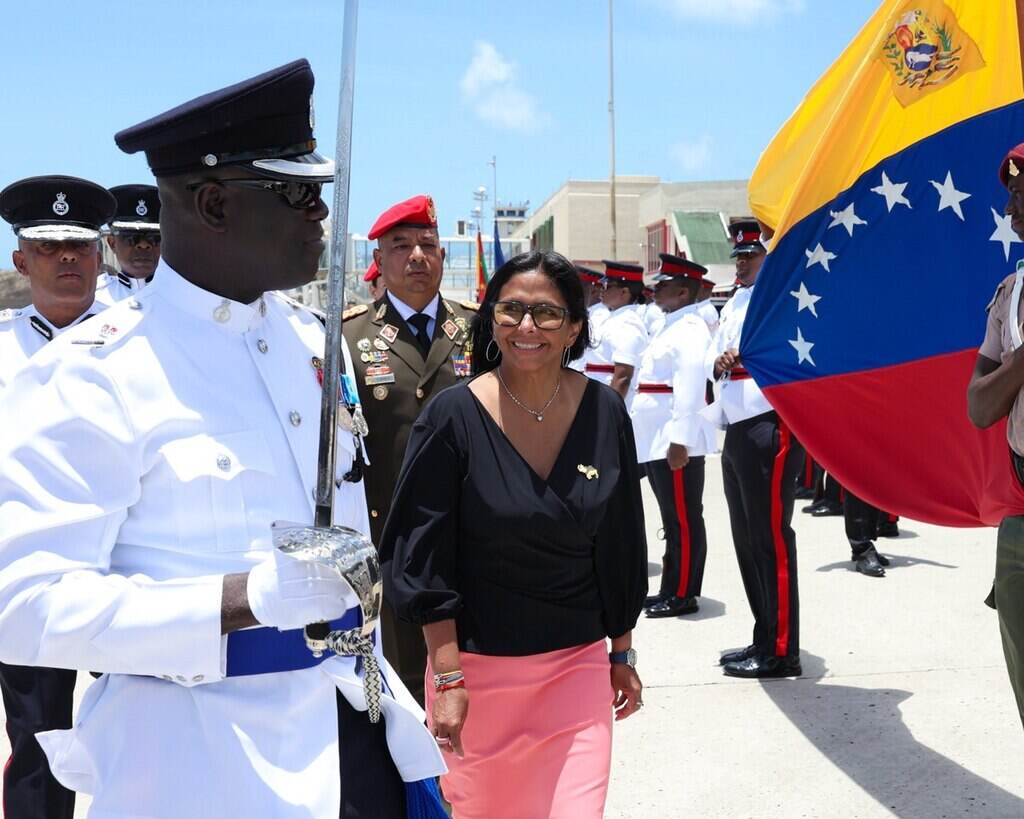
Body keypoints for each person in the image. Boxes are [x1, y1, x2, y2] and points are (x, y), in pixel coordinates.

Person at [0, 60, 443, 818]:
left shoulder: (311, 342)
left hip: (353, 725)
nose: (320, 213)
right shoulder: (97, 372)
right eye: (296, 192)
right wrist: (238, 600)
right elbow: (23, 603)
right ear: (213, 203)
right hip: (202, 762)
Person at [381, 249, 646, 818]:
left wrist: (622, 652)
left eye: (547, 313)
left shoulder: (606, 412)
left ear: (574, 327)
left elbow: (621, 544)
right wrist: (447, 678)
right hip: (476, 677)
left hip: (577, 671)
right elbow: (424, 558)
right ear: (492, 319)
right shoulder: (451, 417)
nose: (528, 327)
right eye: (512, 310)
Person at [0, 175, 115, 819]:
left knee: (147, 730)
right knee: (37, 742)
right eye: (48, 247)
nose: (67, 258)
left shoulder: (144, 343)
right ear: (22, 261)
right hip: (32, 575)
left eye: (80, 246)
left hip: (128, 568)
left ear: (100, 257)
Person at [342, 194, 479, 705]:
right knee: (399, 673)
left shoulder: (478, 328)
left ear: (442, 255)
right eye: (401, 246)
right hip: (388, 530)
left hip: (470, 524)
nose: (417, 255)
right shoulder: (348, 336)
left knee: (474, 663)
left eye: (428, 244)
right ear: (379, 261)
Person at [706, 220, 804, 678]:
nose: (742, 264)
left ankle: (782, 650)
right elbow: (714, 356)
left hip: (769, 423)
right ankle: (764, 634)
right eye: (739, 257)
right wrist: (718, 361)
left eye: (751, 256)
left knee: (770, 539)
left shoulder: (781, 296)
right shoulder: (735, 301)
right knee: (747, 539)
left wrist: (741, 357)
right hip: (737, 427)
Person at [967, 141, 1024, 726]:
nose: (1010, 208)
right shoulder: (1010, 295)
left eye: (1021, 193)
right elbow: (979, 406)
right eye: (1010, 194)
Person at [632, 254, 717, 618]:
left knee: (683, 517)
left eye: (663, 286)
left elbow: (690, 388)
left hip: (673, 439)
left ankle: (683, 593)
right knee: (672, 518)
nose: (655, 291)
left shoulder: (690, 329)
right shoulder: (671, 325)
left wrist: (680, 440)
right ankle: (671, 587)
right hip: (658, 437)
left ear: (683, 292)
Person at [583, 260, 648, 402]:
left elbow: (622, 377)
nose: (602, 289)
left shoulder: (627, 323)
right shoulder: (615, 318)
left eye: (607, 286)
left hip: (606, 400)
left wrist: (609, 411)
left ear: (624, 292)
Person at [96, 183, 161, 304]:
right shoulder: (94, 300)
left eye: (154, 237)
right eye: (131, 237)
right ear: (112, 243)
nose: (143, 244)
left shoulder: (184, 297)